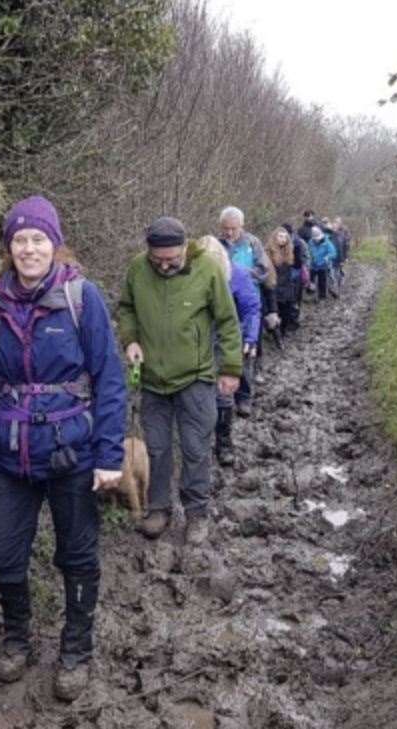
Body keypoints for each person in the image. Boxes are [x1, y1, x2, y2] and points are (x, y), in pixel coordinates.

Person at [0, 195, 126, 702]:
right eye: (19, 240)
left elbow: (109, 378)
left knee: (77, 555)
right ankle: (17, 637)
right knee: (0, 558)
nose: (28, 249)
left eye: (38, 239)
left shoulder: (81, 299)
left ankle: (76, 649)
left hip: (73, 449)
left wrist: (111, 456)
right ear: (9, 247)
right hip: (9, 454)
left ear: (55, 244)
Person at [119, 216, 242, 541]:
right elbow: (126, 308)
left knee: (195, 448)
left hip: (196, 377)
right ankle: (158, 509)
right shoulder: (137, 270)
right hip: (152, 380)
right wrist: (130, 339)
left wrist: (230, 369)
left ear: (185, 249)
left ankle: (197, 514)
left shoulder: (208, 271)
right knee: (157, 449)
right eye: (156, 259)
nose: (163, 266)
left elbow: (228, 322)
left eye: (171, 259)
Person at [198, 236, 259, 468]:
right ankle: (198, 445)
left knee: (223, 394)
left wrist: (251, 337)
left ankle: (224, 443)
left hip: (226, 340)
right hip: (197, 342)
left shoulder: (238, 276)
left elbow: (251, 308)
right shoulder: (188, 279)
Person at [217, 206, 271, 418]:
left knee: (246, 352)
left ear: (241, 226)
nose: (229, 233)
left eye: (233, 228)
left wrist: (239, 273)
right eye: (225, 228)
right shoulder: (216, 245)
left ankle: (244, 397)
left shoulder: (253, 243)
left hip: (248, 302)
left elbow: (264, 270)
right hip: (222, 301)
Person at [266, 227, 303, 336]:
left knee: (286, 312)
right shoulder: (268, 251)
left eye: (285, 237)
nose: (283, 239)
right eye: (280, 236)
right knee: (274, 312)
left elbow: (297, 265)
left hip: (287, 286)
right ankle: (276, 335)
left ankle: (283, 331)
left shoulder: (289, 251)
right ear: (275, 237)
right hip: (274, 286)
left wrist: (297, 251)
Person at [308, 225, 337, 301]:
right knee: (311, 281)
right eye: (315, 238)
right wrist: (309, 259)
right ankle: (311, 296)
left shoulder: (327, 242)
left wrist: (327, 257)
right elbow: (308, 252)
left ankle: (322, 297)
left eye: (318, 238)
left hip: (323, 265)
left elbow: (333, 253)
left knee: (322, 282)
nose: (317, 240)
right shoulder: (310, 242)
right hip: (313, 265)